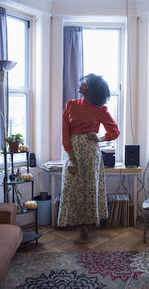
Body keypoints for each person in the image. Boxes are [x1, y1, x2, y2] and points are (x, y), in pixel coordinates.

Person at [57, 73, 120, 244]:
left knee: (89, 190)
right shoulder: (71, 105)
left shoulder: (101, 110)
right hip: (73, 152)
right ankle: (78, 225)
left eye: (85, 82)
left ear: (91, 90)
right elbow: (65, 133)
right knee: (71, 188)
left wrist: (99, 138)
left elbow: (114, 131)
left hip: (91, 154)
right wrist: (70, 158)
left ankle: (85, 228)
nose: (81, 84)